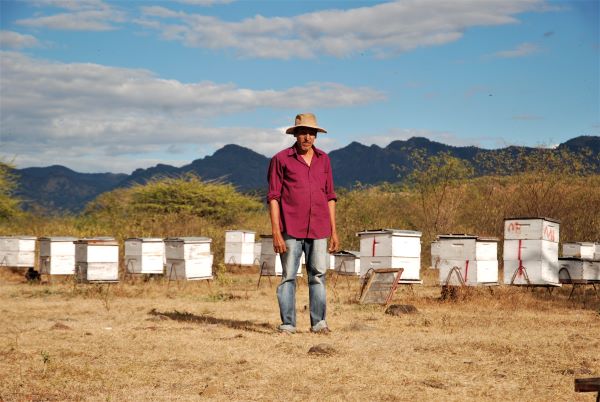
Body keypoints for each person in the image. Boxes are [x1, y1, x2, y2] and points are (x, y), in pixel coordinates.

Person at [267, 112, 339, 334]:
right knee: (288, 276)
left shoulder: (324, 159)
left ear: (316, 136)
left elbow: (330, 196)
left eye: (311, 133)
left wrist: (334, 232)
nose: (307, 137)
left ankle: (319, 323)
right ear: (295, 134)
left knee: (317, 275)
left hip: (319, 228)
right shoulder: (280, 159)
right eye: (303, 133)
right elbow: (273, 197)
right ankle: (288, 324)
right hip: (290, 228)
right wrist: (276, 232)